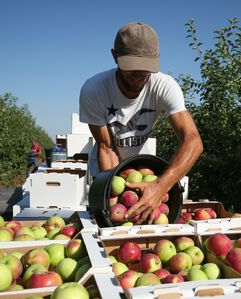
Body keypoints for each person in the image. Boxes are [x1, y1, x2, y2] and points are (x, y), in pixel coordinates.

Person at [79, 22, 203, 224]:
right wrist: (115, 195)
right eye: (131, 67)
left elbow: (194, 141)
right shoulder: (94, 90)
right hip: (107, 170)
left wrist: (160, 186)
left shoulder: (164, 87)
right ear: (115, 56)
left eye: (145, 68)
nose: (138, 76)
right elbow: (107, 147)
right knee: (111, 219)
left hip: (140, 167)